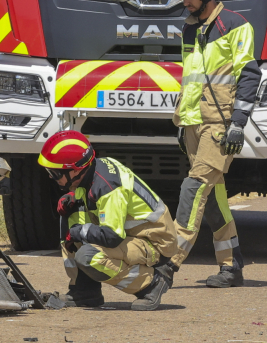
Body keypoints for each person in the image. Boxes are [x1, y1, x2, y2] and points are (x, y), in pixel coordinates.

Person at [168, 0, 260, 287]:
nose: (186, 1)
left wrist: (238, 122)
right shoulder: (189, 27)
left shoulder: (235, 26)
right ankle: (231, 265)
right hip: (193, 122)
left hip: (220, 124)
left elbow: (249, 75)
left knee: (194, 189)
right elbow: (191, 79)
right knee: (214, 198)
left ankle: (166, 264)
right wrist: (183, 122)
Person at [39, 130, 179, 310]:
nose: (51, 177)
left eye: (55, 172)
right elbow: (92, 198)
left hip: (156, 242)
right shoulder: (93, 170)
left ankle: (151, 284)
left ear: (76, 170)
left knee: (89, 257)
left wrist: (76, 232)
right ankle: (84, 290)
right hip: (136, 235)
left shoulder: (108, 187)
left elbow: (112, 235)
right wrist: (73, 197)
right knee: (71, 214)